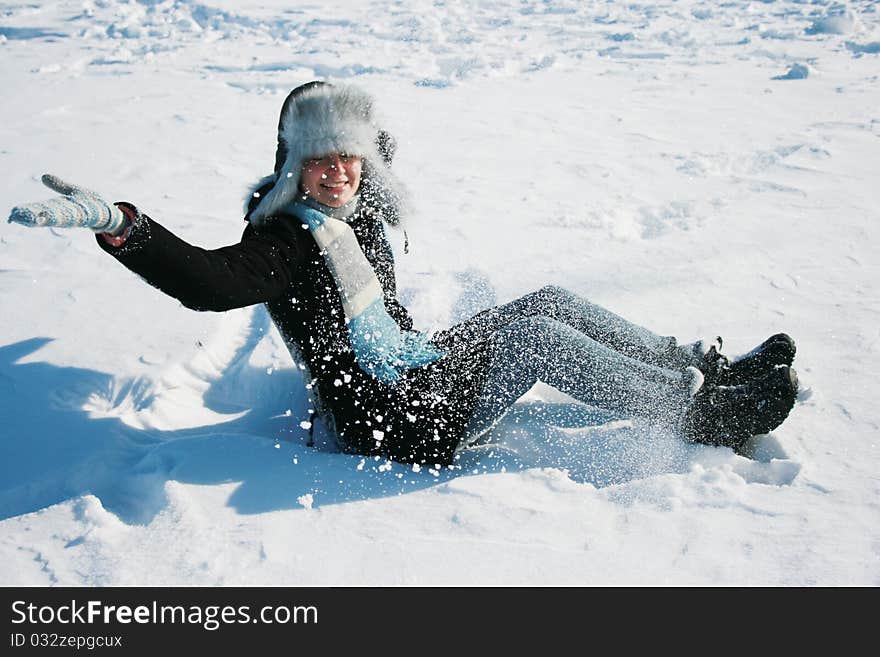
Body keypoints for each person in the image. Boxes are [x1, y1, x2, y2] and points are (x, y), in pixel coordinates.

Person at [7, 81, 798, 467]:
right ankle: (698, 416)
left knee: (547, 301)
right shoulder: (285, 242)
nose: (338, 170)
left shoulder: (360, 213)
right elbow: (209, 282)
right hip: (390, 415)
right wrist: (124, 227)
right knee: (533, 339)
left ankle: (692, 366)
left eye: (349, 153)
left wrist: (361, 130)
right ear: (293, 163)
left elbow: (379, 151)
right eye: (320, 156)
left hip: (422, 370)